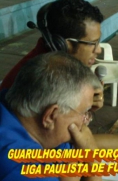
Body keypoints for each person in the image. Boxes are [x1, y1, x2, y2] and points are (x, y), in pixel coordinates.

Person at [0, 0, 118, 149]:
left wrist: (83, 110)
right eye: (92, 43)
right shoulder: (42, 80)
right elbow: (75, 145)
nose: (98, 50)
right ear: (65, 45)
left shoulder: (53, 65)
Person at [0, 52, 102, 181]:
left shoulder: (8, 102)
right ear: (50, 116)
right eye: (84, 113)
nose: (86, 122)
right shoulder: (23, 169)